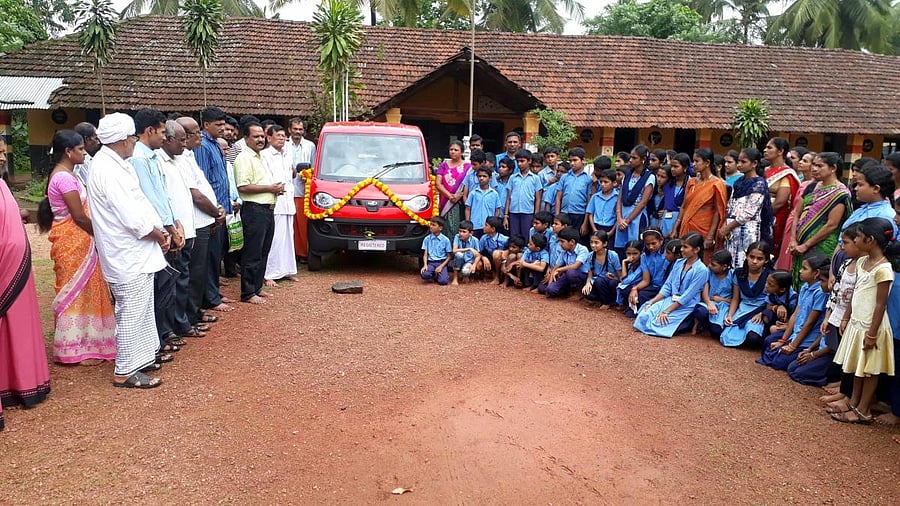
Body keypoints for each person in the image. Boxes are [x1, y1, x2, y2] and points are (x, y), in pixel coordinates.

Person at [88, 112, 169, 388]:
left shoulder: (117, 163)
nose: (135, 141)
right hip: (126, 251)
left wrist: (159, 230)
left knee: (142, 307)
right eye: (133, 137)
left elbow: (140, 203)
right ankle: (125, 370)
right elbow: (130, 215)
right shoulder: (106, 168)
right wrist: (157, 234)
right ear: (122, 140)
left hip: (137, 250)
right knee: (131, 311)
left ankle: (141, 358)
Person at [37, 130, 116, 364]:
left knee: (89, 290)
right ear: (68, 152)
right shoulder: (63, 178)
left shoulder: (69, 174)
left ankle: (92, 344)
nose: (84, 152)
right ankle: (74, 349)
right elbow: (79, 217)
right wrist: (103, 235)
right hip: (74, 240)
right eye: (80, 149)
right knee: (76, 292)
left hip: (81, 241)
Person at [831, 217, 897, 424]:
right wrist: (847, 316)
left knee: (869, 370)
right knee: (858, 366)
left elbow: (880, 304)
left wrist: (872, 333)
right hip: (857, 322)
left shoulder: (883, 269)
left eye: (858, 237)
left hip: (871, 327)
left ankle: (863, 410)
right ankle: (853, 402)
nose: (856, 241)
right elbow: (856, 292)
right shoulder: (862, 262)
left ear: (870, 240)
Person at [131, 109, 186, 352]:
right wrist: (168, 229)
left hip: (166, 228)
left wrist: (176, 222)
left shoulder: (151, 157)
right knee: (156, 288)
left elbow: (164, 195)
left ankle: (160, 337)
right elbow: (150, 199)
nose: (165, 137)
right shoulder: (138, 159)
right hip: (155, 233)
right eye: (163, 132)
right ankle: (155, 342)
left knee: (166, 286)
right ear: (150, 131)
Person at [1, 178, 51, 429]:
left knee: (17, 326)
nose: (1, 157)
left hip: (14, 264)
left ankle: (19, 383)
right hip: (8, 264)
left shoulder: (2, 185)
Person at [157, 120, 204, 340]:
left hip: (186, 228)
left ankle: (183, 322)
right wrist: (172, 228)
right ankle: (174, 327)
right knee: (174, 282)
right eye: (181, 140)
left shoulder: (177, 159)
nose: (184, 144)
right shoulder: (158, 161)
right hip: (173, 230)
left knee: (184, 278)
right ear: (167, 138)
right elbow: (163, 200)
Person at [176, 116, 225, 330]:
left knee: (200, 271)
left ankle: (195, 312)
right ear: (184, 136)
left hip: (205, 221)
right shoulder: (178, 159)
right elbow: (196, 195)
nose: (200, 136)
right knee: (193, 273)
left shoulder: (188, 155)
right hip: (195, 222)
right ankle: (189, 318)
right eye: (196, 132)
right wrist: (215, 212)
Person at [786, 152, 850, 288]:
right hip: (799, 243)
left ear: (833, 168)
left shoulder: (840, 194)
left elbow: (831, 225)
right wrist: (793, 239)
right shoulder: (810, 187)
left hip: (822, 245)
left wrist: (806, 245)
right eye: (814, 165)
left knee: (815, 282)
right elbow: (797, 214)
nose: (814, 169)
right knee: (799, 277)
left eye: (820, 166)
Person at [234, 122, 281, 304]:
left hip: (267, 209)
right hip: (254, 210)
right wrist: (270, 188)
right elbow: (243, 186)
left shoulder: (260, 156)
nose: (261, 139)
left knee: (263, 250)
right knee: (252, 252)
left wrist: (275, 189)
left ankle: (256, 287)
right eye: (256, 136)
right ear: (246, 138)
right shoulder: (244, 158)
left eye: (262, 136)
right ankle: (247, 292)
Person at [757, 252, 829, 370]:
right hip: (795, 333)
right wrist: (783, 340)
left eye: (804, 268)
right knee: (768, 343)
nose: (800, 271)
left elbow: (810, 323)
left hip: (807, 339)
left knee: (778, 362)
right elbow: (795, 315)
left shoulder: (820, 292)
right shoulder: (805, 286)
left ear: (816, 273)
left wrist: (792, 346)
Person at [193, 106, 234, 313]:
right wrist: (214, 210)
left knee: (216, 255)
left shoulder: (216, 145)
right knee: (209, 258)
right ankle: (209, 298)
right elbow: (203, 182)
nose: (221, 128)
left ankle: (213, 292)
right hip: (211, 211)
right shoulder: (201, 146)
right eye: (217, 125)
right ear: (205, 124)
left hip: (221, 210)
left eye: (223, 124)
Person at [634, 232, 710, 338]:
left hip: (686, 305)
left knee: (658, 323)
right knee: (644, 315)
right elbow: (667, 286)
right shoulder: (679, 263)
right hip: (671, 299)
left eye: (685, 247)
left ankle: (690, 322)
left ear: (696, 250)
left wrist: (666, 311)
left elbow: (687, 296)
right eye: (682, 246)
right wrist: (652, 302)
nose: (682, 249)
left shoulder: (702, 270)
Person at [719, 148, 774, 269]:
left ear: (754, 164)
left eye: (743, 162)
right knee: (730, 261)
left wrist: (728, 227)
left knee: (744, 262)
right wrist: (725, 224)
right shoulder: (739, 181)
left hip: (747, 229)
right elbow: (731, 204)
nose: (739, 165)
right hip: (732, 229)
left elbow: (749, 212)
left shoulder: (759, 183)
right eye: (738, 161)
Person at [262, 124, 298, 285]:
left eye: (284, 136)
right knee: (275, 238)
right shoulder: (264, 155)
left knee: (288, 237)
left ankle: (287, 270)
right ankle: (269, 273)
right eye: (279, 136)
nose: (282, 139)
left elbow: (291, 175)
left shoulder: (287, 154)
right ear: (269, 138)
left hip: (288, 201)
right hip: (274, 201)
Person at [720, 241, 774, 348]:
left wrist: (763, 313)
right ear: (746, 256)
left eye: (759, 259)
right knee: (724, 334)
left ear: (766, 260)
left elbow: (772, 300)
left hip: (759, 311)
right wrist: (730, 315)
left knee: (753, 337)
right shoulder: (739, 273)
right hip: (743, 309)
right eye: (751, 257)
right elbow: (736, 298)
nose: (754, 261)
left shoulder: (770, 276)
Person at [675, 148, 727, 258]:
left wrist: (710, 235)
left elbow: (718, 212)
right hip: (687, 226)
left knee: (703, 258)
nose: (693, 164)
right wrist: (676, 227)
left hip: (704, 228)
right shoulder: (691, 182)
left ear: (707, 163)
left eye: (697, 161)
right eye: (693, 161)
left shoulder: (717, 184)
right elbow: (684, 206)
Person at [763, 137, 801, 268]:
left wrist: (762, 216)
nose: (765, 150)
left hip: (775, 218)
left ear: (780, 151)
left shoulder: (786, 174)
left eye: (769, 148)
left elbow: (780, 202)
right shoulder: (765, 170)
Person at [614, 145, 655, 251]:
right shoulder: (627, 175)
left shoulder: (649, 177)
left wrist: (627, 221)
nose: (631, 160)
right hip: (623, 214)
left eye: (634, 158)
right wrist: (619, 217)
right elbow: (620, 197)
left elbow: (643, 202)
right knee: (621, 248)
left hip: (637, 216)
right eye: (630, 157)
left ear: (643, 159)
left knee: (635, 246)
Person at [288, 118, 315, 263]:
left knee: (302, 225)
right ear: (289, 130)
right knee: (288, 225)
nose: (297, 132)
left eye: (300, 129)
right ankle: (290, 254)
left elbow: (314, 166)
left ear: (304, 131)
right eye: (295, 129)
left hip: (303, 190)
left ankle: (303, 254)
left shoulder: (310, 146)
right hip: (286, 190)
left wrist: (308, 174)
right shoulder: (284, 145)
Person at [624, 228, 667, 316]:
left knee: (643, 296)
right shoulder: (644, 256)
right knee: (631, 291)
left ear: (661, 241)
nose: (651, 247)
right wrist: (635, 288)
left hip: (665, 287)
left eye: (653, 243)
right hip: (653, 286)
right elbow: (646, 280)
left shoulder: (667, 254)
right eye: (647, 244)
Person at [538, 227, 590, 297]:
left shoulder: (583, 249)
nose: (560, 244)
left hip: (582, 276)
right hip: (568, 275)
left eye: (562, 241)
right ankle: (566, 291)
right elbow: (556, 267)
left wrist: (559, 270)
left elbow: (575, 266)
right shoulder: (564, 251)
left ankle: (578, 292)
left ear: (572, 242)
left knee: (571, 272)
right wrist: (549, 284)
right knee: (549, 289)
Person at [693, 249, 733, 337]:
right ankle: (705, 326)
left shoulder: (732, 275)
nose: (710, 266)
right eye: (710, 263)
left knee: (716, 331)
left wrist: (722, 300)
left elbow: (736, 300)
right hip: (709, 304)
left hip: (725, 307)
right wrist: (709, 303)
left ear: (724, 266)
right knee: (700, 311)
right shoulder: (708, 272)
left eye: (713, 265)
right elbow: (705, 290)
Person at [505, 148, 542, 240]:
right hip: (513, 212)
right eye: (518, 161)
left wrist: (536, 215)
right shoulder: (513, 178)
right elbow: (509, 197)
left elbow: (538, 199)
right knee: (514, 237)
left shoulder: (535, 178)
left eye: (522, 161)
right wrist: (506, 215)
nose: (520, 164)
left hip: (528, 212)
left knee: (527, 236)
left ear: (529, 161)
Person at [582, 230, 621, 308]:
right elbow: (590, 275)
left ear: (605, 244)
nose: (593, 245)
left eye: (596, 242)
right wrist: (587, 283)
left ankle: (608, 302)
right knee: (587, 292)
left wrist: (614, 277)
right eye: (591, 242)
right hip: (598, 282)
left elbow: (620, 276)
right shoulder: (590, 256)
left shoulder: (613, 255)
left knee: (610, 283)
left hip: (611, 282)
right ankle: (604, 300)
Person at [464, 165, 501, 238]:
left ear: (490, 178)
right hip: (475, 225)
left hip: (488, 227)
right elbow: (468, 209)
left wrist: (493, 223)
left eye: (484, 176)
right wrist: (468, 224)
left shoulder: (494, 194)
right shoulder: (473, 193)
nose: (481, 178)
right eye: (479, 176)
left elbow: (497, 210)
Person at [660, 155, 689, 238]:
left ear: (685, 168)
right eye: (671, 166)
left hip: (681, 220)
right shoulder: (668, 184)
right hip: (666, 220)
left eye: (676, 166)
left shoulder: (690, 183)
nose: (672, 169)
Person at [420, 216, 452, 285]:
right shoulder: (427, 239)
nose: (431, 226)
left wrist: (441, 266)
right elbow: (425, 254)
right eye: (430, 224)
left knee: (443, 281)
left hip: (441, 262)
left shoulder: (446, 240)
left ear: (440, 228)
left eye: (434, 225)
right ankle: (434, 275)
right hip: (431, 262)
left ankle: (441, 275)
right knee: (424, 274)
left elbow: (449, 256)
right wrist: (425, 265)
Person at [450, 220, 480, 285]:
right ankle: (455, 278)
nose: (461, 233)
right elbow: (454, 250)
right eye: (460, 231)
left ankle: (465, 275)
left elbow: (478, 255)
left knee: (465, 272)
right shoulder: (457, 236)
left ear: (471, 233)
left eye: (464, 232)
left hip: (469, 262)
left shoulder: (475, 240)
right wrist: (469, 249)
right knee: (458, 254)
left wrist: (474, 265)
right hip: (459, 260)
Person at [480, 216, 508, 282]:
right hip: (491, 259)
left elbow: (513, 249)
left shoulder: (504, 239)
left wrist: (503, 253)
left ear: (493, 229)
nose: (483, 227)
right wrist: (483, 258)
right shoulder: (483, 238)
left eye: (486, 225)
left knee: (496, 253)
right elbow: (478, 252)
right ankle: (488, 274)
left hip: (503, 261)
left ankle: (498, 276)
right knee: (479, 262)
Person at [616, 240, 644, 307]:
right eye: (628, 254)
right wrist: (624, 263)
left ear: (641, 253)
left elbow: (625, 281)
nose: (631, 256)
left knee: (625, 288)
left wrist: (624, 262)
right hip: (632, 285)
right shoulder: (630, 264)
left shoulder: (642, 265)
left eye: (635, 253)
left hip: (640, 287)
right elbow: (623, 278)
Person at [73, 121, 101, 186]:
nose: (98, 142)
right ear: (87, 139)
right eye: (96, 138)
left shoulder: (87, 158)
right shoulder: (81, 160)